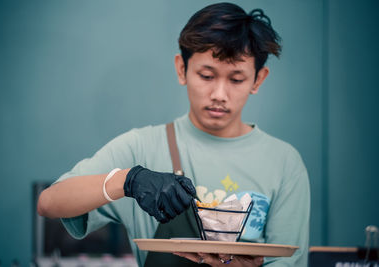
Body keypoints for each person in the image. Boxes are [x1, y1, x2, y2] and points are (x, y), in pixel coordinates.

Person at [37, 3, 310, 267]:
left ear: (258, 80)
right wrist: (128, 179)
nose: (219, 94)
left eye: (236, 79)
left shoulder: (284, 162)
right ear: (182, 69)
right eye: (206, 75)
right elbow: (49, 202)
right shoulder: (142, 146)